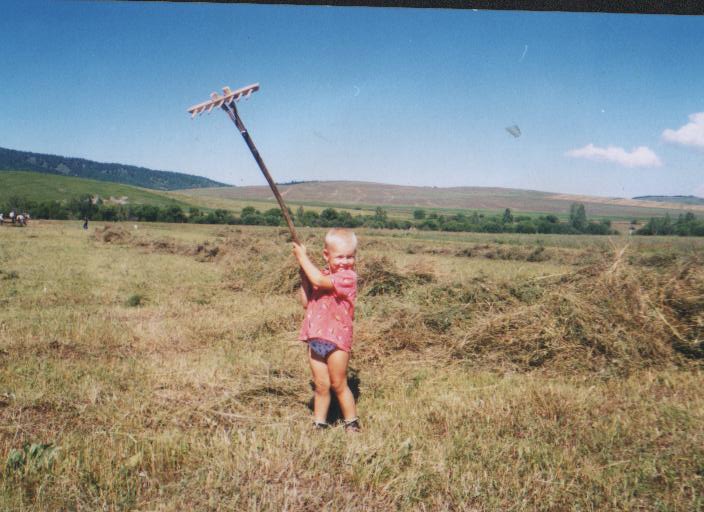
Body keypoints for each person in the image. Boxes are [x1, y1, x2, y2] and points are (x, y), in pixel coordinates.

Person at [292, 228, 360, 432]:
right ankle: (319, 424)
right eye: (340, 257)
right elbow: (306, 302)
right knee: (321, 385)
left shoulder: (348, 277)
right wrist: (303, 275)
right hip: (316, 338)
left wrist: (303, 257)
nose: (345, 261)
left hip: (337, 340)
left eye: (350, 256)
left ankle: (352, 424)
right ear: (326, 255)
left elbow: (319, 282)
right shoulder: (320, 274)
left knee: (338, 384)